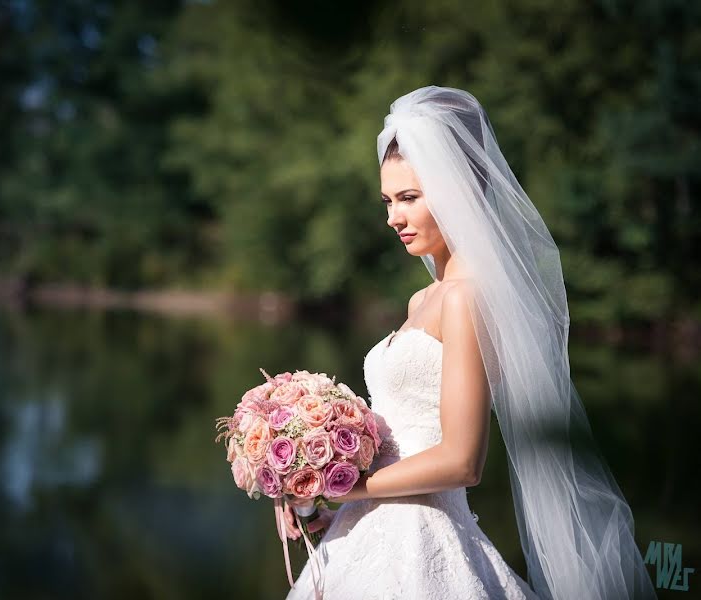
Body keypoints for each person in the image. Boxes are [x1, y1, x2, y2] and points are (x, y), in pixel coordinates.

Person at [279, 86, 657, 600]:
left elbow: (461, 460)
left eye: (409, 198)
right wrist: (321, 491)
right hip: (366, 530)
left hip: (421, 539)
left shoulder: (467, 299)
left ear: (457, 190)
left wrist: (340, 485)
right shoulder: (423, 300)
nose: (393, 217)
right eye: (388, 201)